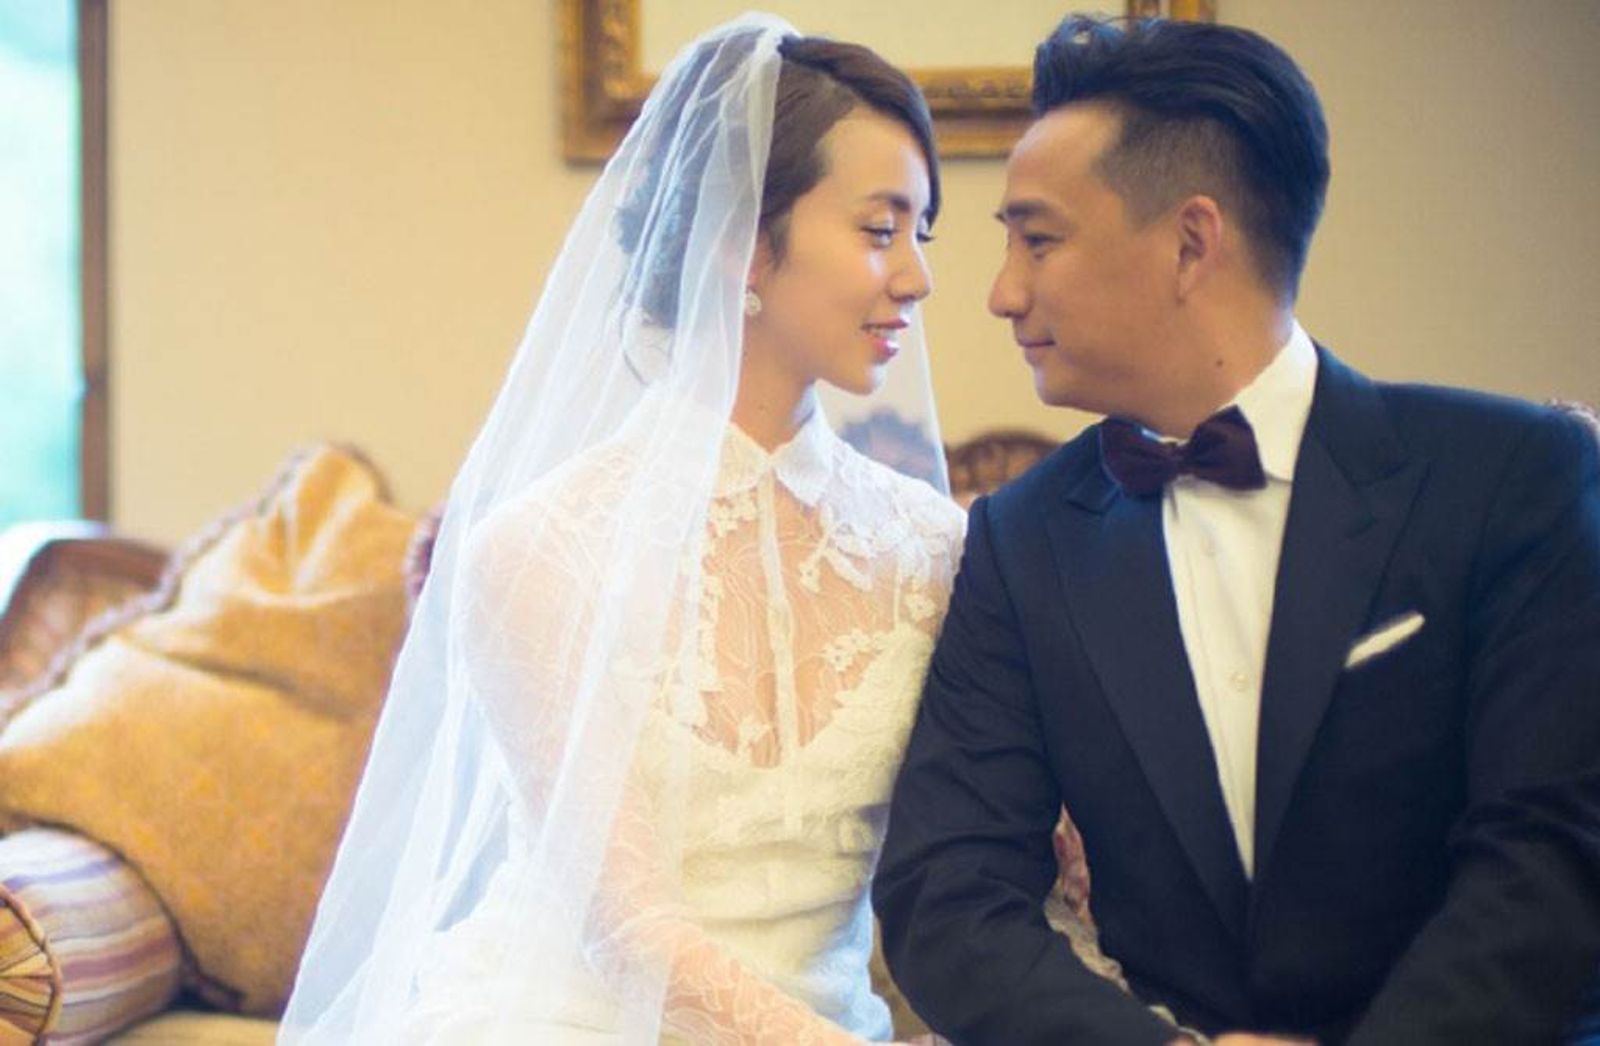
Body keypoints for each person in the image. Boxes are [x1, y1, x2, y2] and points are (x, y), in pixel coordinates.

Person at [874, 13, 1600, 1045]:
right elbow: (947, 891)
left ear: (1190, 242)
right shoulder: (1021, 540)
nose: (1001, 293)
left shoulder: (1513, 475)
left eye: (1037, 239)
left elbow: (1555, 854)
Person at [280, 15, 966, 1044]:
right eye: (880, 230)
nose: (917, 277)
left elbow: (967, 859)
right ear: (741, 243)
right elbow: (632, 931)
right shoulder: (538, 549)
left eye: (921, 235)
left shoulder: (929, 546)